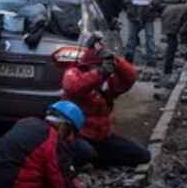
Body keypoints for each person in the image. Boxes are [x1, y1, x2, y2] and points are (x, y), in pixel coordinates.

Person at [57, 36, 150, 167]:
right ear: (89, 66)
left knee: (142, 156)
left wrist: (115, 61)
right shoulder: (73, 73)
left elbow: (130, 78)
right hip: (77, 136)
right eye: (98, 65)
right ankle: (73, 166)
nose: (105, 68)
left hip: (101, 138)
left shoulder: (106, 83)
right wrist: (100, 73)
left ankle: (95, 161)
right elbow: (74, 88)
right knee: (84, 152)